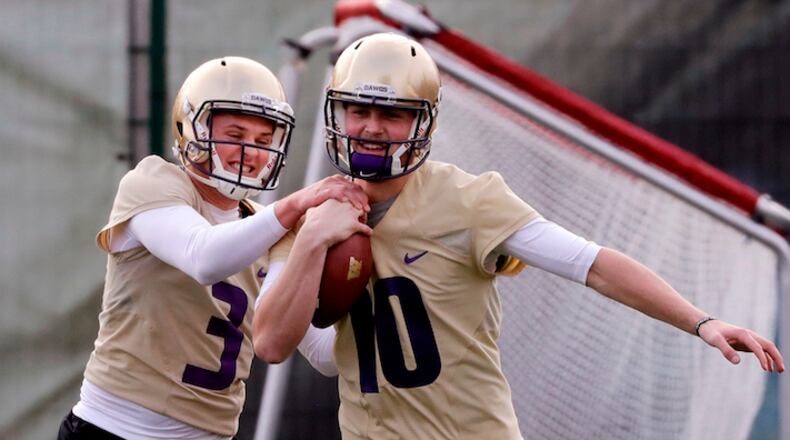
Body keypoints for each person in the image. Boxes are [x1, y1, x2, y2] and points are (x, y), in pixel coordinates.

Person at [252, 33, 785, 440]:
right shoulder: (303, 215)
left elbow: (591, 263)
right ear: (335, 111)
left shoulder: (469, 200)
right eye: (358, 110)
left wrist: (701, 321)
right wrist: (315, 242)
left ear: (424, 123)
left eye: (391, 114)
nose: (369, 127)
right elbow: (287, 346)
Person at [58, 56, 369, 440]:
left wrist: (378, 297)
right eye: (235, 136)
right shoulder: (154, 181)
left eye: (263, 141)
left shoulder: (273, 228)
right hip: (115, 430)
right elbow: (204, 257)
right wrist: (295, 207)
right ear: (194, 130)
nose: (251, 152)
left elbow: (319, 353)